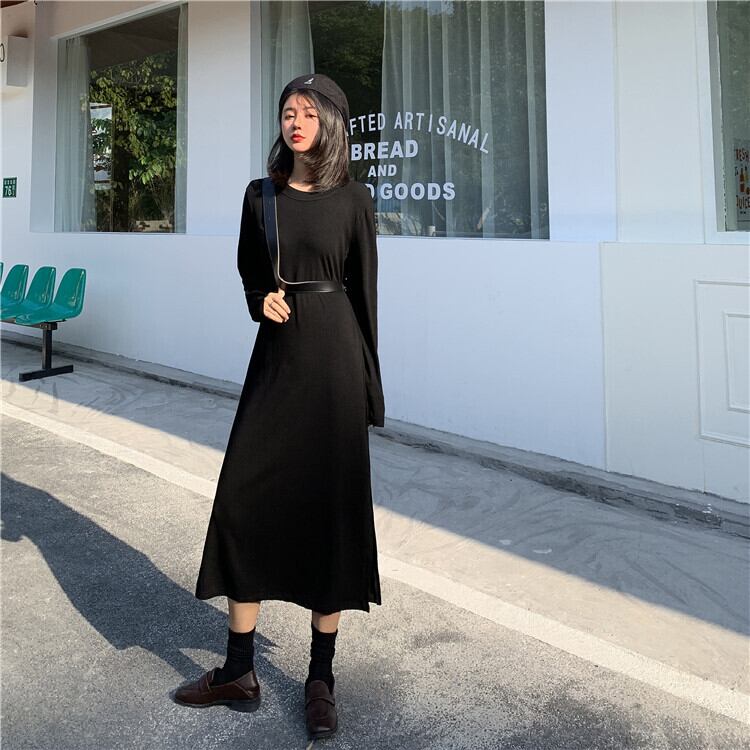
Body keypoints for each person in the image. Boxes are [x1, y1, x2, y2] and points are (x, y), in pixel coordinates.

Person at [173, 73, 385, 741]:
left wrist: (370, 386)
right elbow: (248, 268)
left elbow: (366, 295)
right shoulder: (259, 195)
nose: (296, 121)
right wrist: (257, 297)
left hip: (335, 366)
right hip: (276, 362)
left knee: (330, 514)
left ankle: (321, 679)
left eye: (309, 113)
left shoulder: (354, 199)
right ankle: (239, 670)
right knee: (244, 500)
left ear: (331, 123)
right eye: (288, 111)